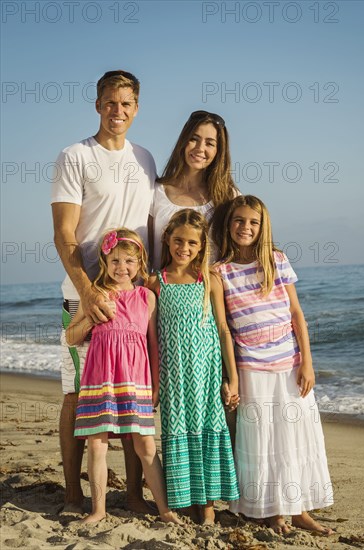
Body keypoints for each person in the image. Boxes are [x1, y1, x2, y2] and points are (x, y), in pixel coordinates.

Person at [51, 70, 156, 513]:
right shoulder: (75, 156)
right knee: (78, 395)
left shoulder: (146, 158)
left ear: (136, 107)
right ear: (98, 105)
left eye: (127, 103)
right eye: (110, 102)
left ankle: (132, 493)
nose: (118, 111)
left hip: (132, 299)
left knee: (132, 395)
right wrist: (88, 292)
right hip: (84, 297)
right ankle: (74, 491)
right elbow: (64, 234)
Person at [215, 195, 335, 535]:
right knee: (263, 440)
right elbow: (224, 327)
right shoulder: (220, 272)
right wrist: (233, 378)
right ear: (229, 225)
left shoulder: (276, 260)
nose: (245, 227)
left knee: (294, 436)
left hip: (289, 363)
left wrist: (307, 363)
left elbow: (297, 314)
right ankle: (273, 512)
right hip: (252, 368)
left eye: (253, 222)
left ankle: (299, 511)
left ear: (262, 226)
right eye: (239, 220)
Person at [66, 228, 182, 525]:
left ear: (140, 262)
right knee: (97, 444)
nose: (122, 268)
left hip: (136, 381)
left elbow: (153, 344)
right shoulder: (97, 294)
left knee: (145, 445)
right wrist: (92, 318)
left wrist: (155, 384)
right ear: (105, 261)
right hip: (99, 379)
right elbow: (70, 337)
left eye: (129, 261)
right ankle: (99, 509)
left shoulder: (146, 297)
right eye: (115, 261)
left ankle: (165, 509)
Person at [148, 209, 240, 524]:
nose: (183, 248)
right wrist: (155, 383)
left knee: (209, 430)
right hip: (174, 375)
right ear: (167, 240)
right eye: (178, 241)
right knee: (177, 431)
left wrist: (233, 379)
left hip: (207, 373)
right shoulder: (155, 282)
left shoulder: (210, 280)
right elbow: (153, 339)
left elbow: (224, 330)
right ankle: (186, 501)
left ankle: (209, 506)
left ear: (201, 246)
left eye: (191, 243)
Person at [148, 110, 239, 270]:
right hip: (162, 292)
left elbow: (238, 251)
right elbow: (146, 251)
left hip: (210, 292)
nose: (200, 148)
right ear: (183, 141)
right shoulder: (156, 191)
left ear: (218, 151)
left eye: (209, 143)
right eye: (194, 139)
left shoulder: (228, 197)